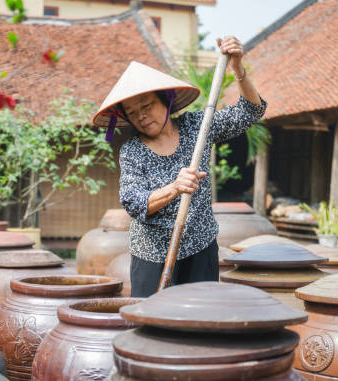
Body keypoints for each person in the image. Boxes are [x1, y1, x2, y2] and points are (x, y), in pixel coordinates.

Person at [92, 36, 266, 297]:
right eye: (132, 111)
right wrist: (175, 187)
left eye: (147, 105)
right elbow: (133, 202)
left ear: (166, 101)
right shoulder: (133, 151)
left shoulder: (198, 126)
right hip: (153, 257)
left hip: (201, 249)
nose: (141, 115)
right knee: (153, 326)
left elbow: (251, 112)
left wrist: (238, 67)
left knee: (199, 324)